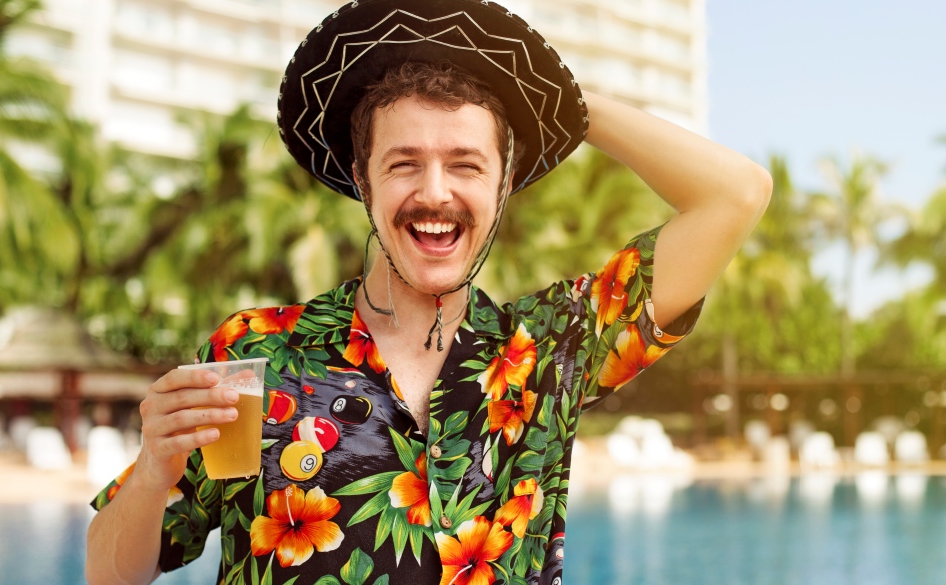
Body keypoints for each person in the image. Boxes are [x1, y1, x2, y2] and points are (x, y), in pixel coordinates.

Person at [85, 1, 771, 584]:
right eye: (404, 163)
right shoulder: (256, 352)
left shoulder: (550, 347)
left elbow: (736, 193)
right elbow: (110, 572)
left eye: (466, 164)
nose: (435, 192)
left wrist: (558, 99)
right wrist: (151, 473)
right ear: (364, 178)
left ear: (502, 186)